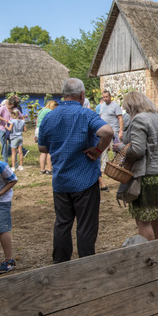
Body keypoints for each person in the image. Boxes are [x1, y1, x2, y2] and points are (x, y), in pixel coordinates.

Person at [38, 78, 113, 263]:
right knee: (86, 226)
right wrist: (97, 151)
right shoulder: (85, 114)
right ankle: (86, 263)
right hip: (84, 179)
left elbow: (42, 148)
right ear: (82, 95)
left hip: (61, 180)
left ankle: (60, 264)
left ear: (63, 94)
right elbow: (108, 132)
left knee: (62, 224)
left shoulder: (49, 115)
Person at [115, 91, 158, 241]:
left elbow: (137, 149)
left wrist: (119, 147)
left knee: (143, 220)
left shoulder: (140, 119)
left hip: (147, 177)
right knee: (157, 217)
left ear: (131, 106)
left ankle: (149, 255)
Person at [98, 90, 123, 191]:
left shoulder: (115, 105)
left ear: (110, 96)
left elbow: (120, 118)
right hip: (104, 131)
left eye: (107, 97)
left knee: (116, 149)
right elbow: (100, 117)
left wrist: (121, 131)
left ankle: (118, 166)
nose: (105, 99)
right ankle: (104, 167)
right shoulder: (102, 106)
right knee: (103, 149)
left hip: (114, 131)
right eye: (103, 97)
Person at [0, 96, 21, 164]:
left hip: (11, 130)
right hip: (1, 128)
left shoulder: (15, 109)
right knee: (4, 145)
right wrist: (5, 120)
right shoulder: (3, 108)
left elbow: (21, 116)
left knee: (13, 146)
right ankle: (5, 162)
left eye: (13, 107)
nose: (11, 108)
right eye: (11, 106)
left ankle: (15, 162)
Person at [35, 100, 58, 174]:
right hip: (46, 130)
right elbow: (52, 121)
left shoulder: (42, 110)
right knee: (49, 150)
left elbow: (37, 121)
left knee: (43, 151)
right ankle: (49, 169)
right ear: (53, 106)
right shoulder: (49, 111)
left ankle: (42, 169)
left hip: (38, 130)